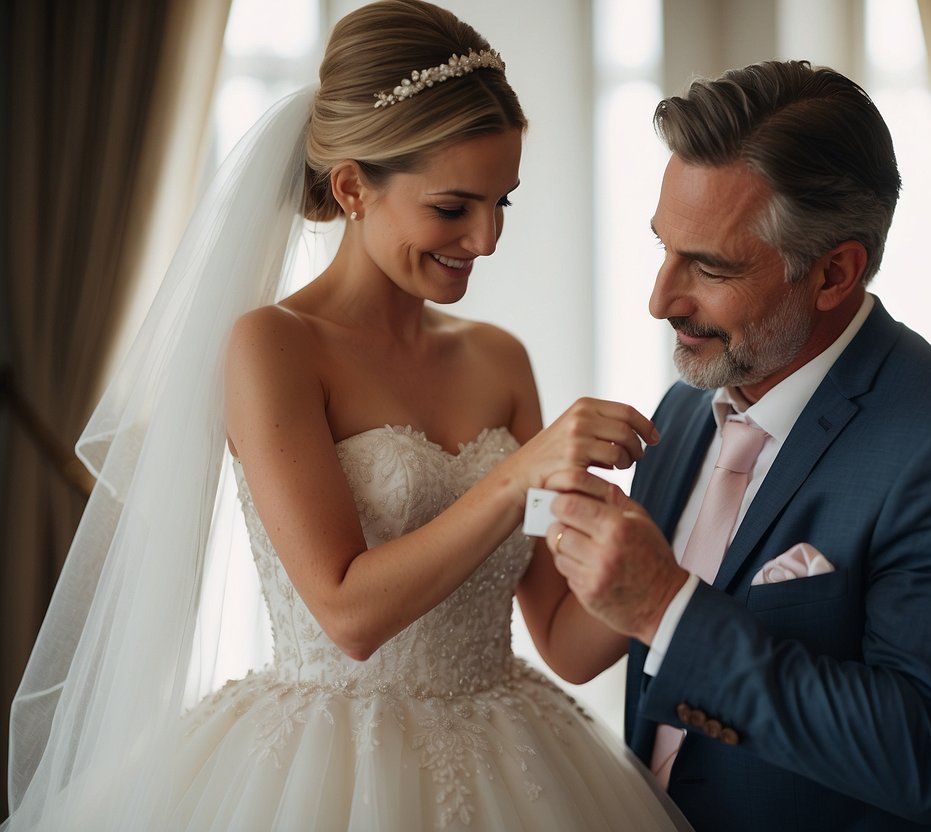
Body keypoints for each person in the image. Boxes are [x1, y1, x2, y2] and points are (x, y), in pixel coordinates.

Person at [3, 2, 691, 830]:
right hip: (320, 773)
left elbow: (563, 637)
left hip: (524, 763)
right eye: (452, 207)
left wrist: (678, 520)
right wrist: (520, 471)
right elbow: (347, 615)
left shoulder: (498, 359)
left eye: (503, 201)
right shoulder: (271, 348)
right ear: (352, 187)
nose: (487, 238)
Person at [543, 61, 931, 830]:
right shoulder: (683, 411)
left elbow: (929, 756)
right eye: (662, 246)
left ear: (833, 273)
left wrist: (665, 609)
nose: (659, 299)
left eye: (710, 266)